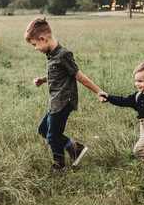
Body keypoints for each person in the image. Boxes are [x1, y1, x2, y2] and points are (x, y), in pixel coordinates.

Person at [25, 17, 106, 172]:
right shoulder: (51, 54)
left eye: (35, 44)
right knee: (43, 130)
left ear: (43, 38)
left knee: (52, 136)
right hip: (54, 102)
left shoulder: (63, 54)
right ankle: (75, 148)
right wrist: (43, 79)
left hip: (63, 101)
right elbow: (58, 73)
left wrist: (98, 91)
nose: (35, 48)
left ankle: (60, 166)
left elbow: (79, 75)